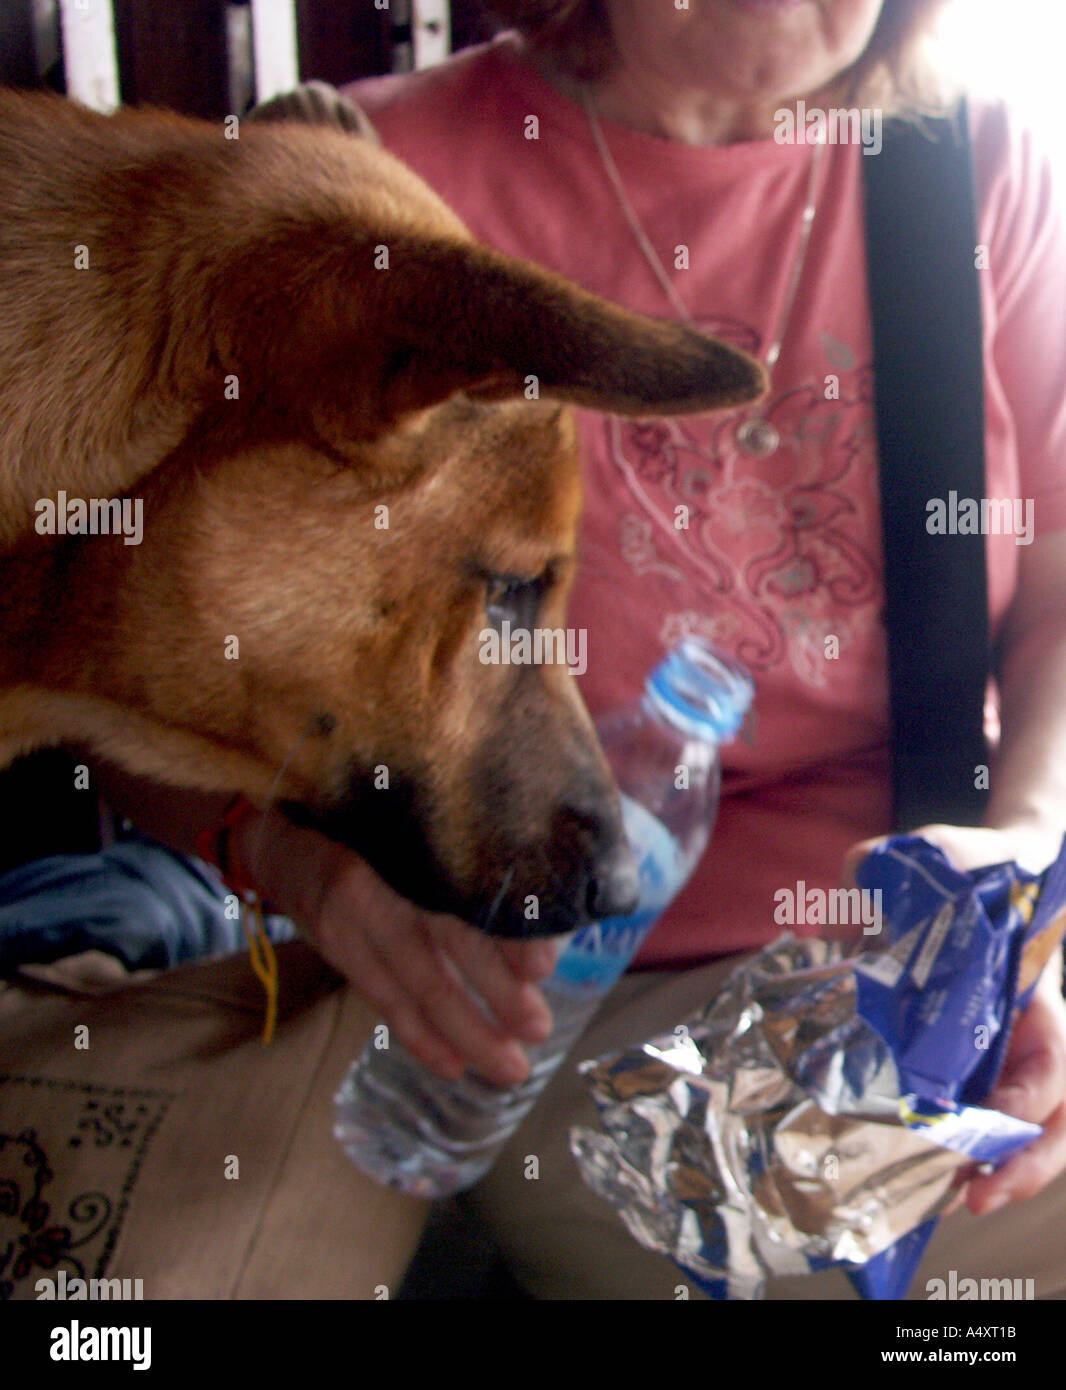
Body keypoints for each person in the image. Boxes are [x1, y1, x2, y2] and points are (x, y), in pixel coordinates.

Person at [106, 0, 1066, 1298]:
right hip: (562, 997)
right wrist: (307, 867)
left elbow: (1052, 573)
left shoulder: (973, 161)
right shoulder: (375, 183)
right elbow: (136, 671)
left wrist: (1016, 866)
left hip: (910, 972)